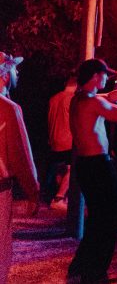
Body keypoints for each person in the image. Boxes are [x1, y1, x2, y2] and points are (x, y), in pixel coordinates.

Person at [68, 58, 117, 283]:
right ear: (96, 76)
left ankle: (81, 266)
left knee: (98, 219)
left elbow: (110, 97)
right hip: (98, 166)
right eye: (104, 75)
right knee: (108, 219)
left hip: (87, 165)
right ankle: (95, 272)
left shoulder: (81, 98)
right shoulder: (90, 101)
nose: (107, 78)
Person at [0, 52, 39, 283]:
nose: (17, 73)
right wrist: (33, 192)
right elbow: (20, 155)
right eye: (14, 68)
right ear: (4, 75)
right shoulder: (8, 108)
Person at [47, 73, 76, 209]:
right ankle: (59, 198)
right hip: (68, 139)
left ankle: (61, 198)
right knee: (73, 170)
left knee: (62, 170)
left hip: (54, 139)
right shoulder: (72, 99)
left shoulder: (54, 98)